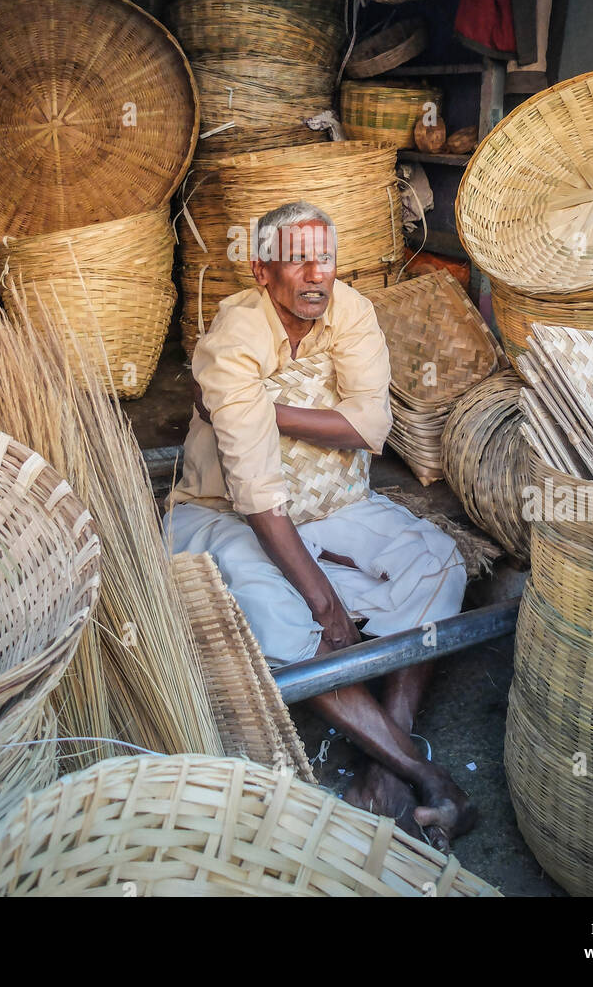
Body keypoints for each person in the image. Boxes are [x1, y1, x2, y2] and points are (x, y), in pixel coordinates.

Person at [166, 200, 476, 848]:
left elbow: (369, 428)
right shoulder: (234, 340)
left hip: (332, 500)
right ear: (261, 271)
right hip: (225, 510)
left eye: (325, 258)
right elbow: (257, 500)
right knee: (279, 616)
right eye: (298, 260)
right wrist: (324, 601)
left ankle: (383, 758)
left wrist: (256, 410)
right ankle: (420, 770)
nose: (316, 275)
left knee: (437, 562)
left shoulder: (351, 311)